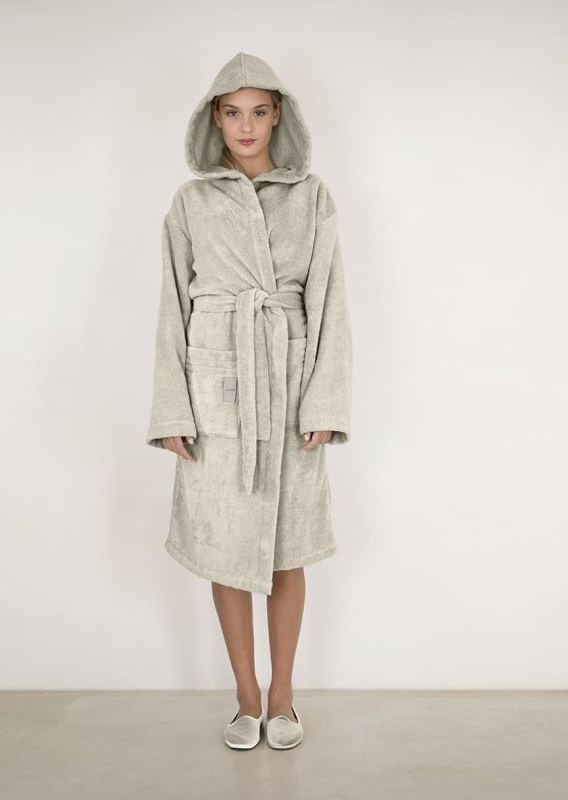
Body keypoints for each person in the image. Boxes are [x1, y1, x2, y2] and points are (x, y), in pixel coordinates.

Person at [145, 52, 353, 750]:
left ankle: (284, 700)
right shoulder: (190, 201)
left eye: (259, 112)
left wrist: (324, 402)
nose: (246, 125)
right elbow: (172, 307)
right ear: (214, 117)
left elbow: (329, 300)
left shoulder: (311, 196)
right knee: (224, 545)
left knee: (287, 547)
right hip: (216, 389)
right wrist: (173, 410)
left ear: (278, 115)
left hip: (288, 385)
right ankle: (245, 698)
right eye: (233, 112)